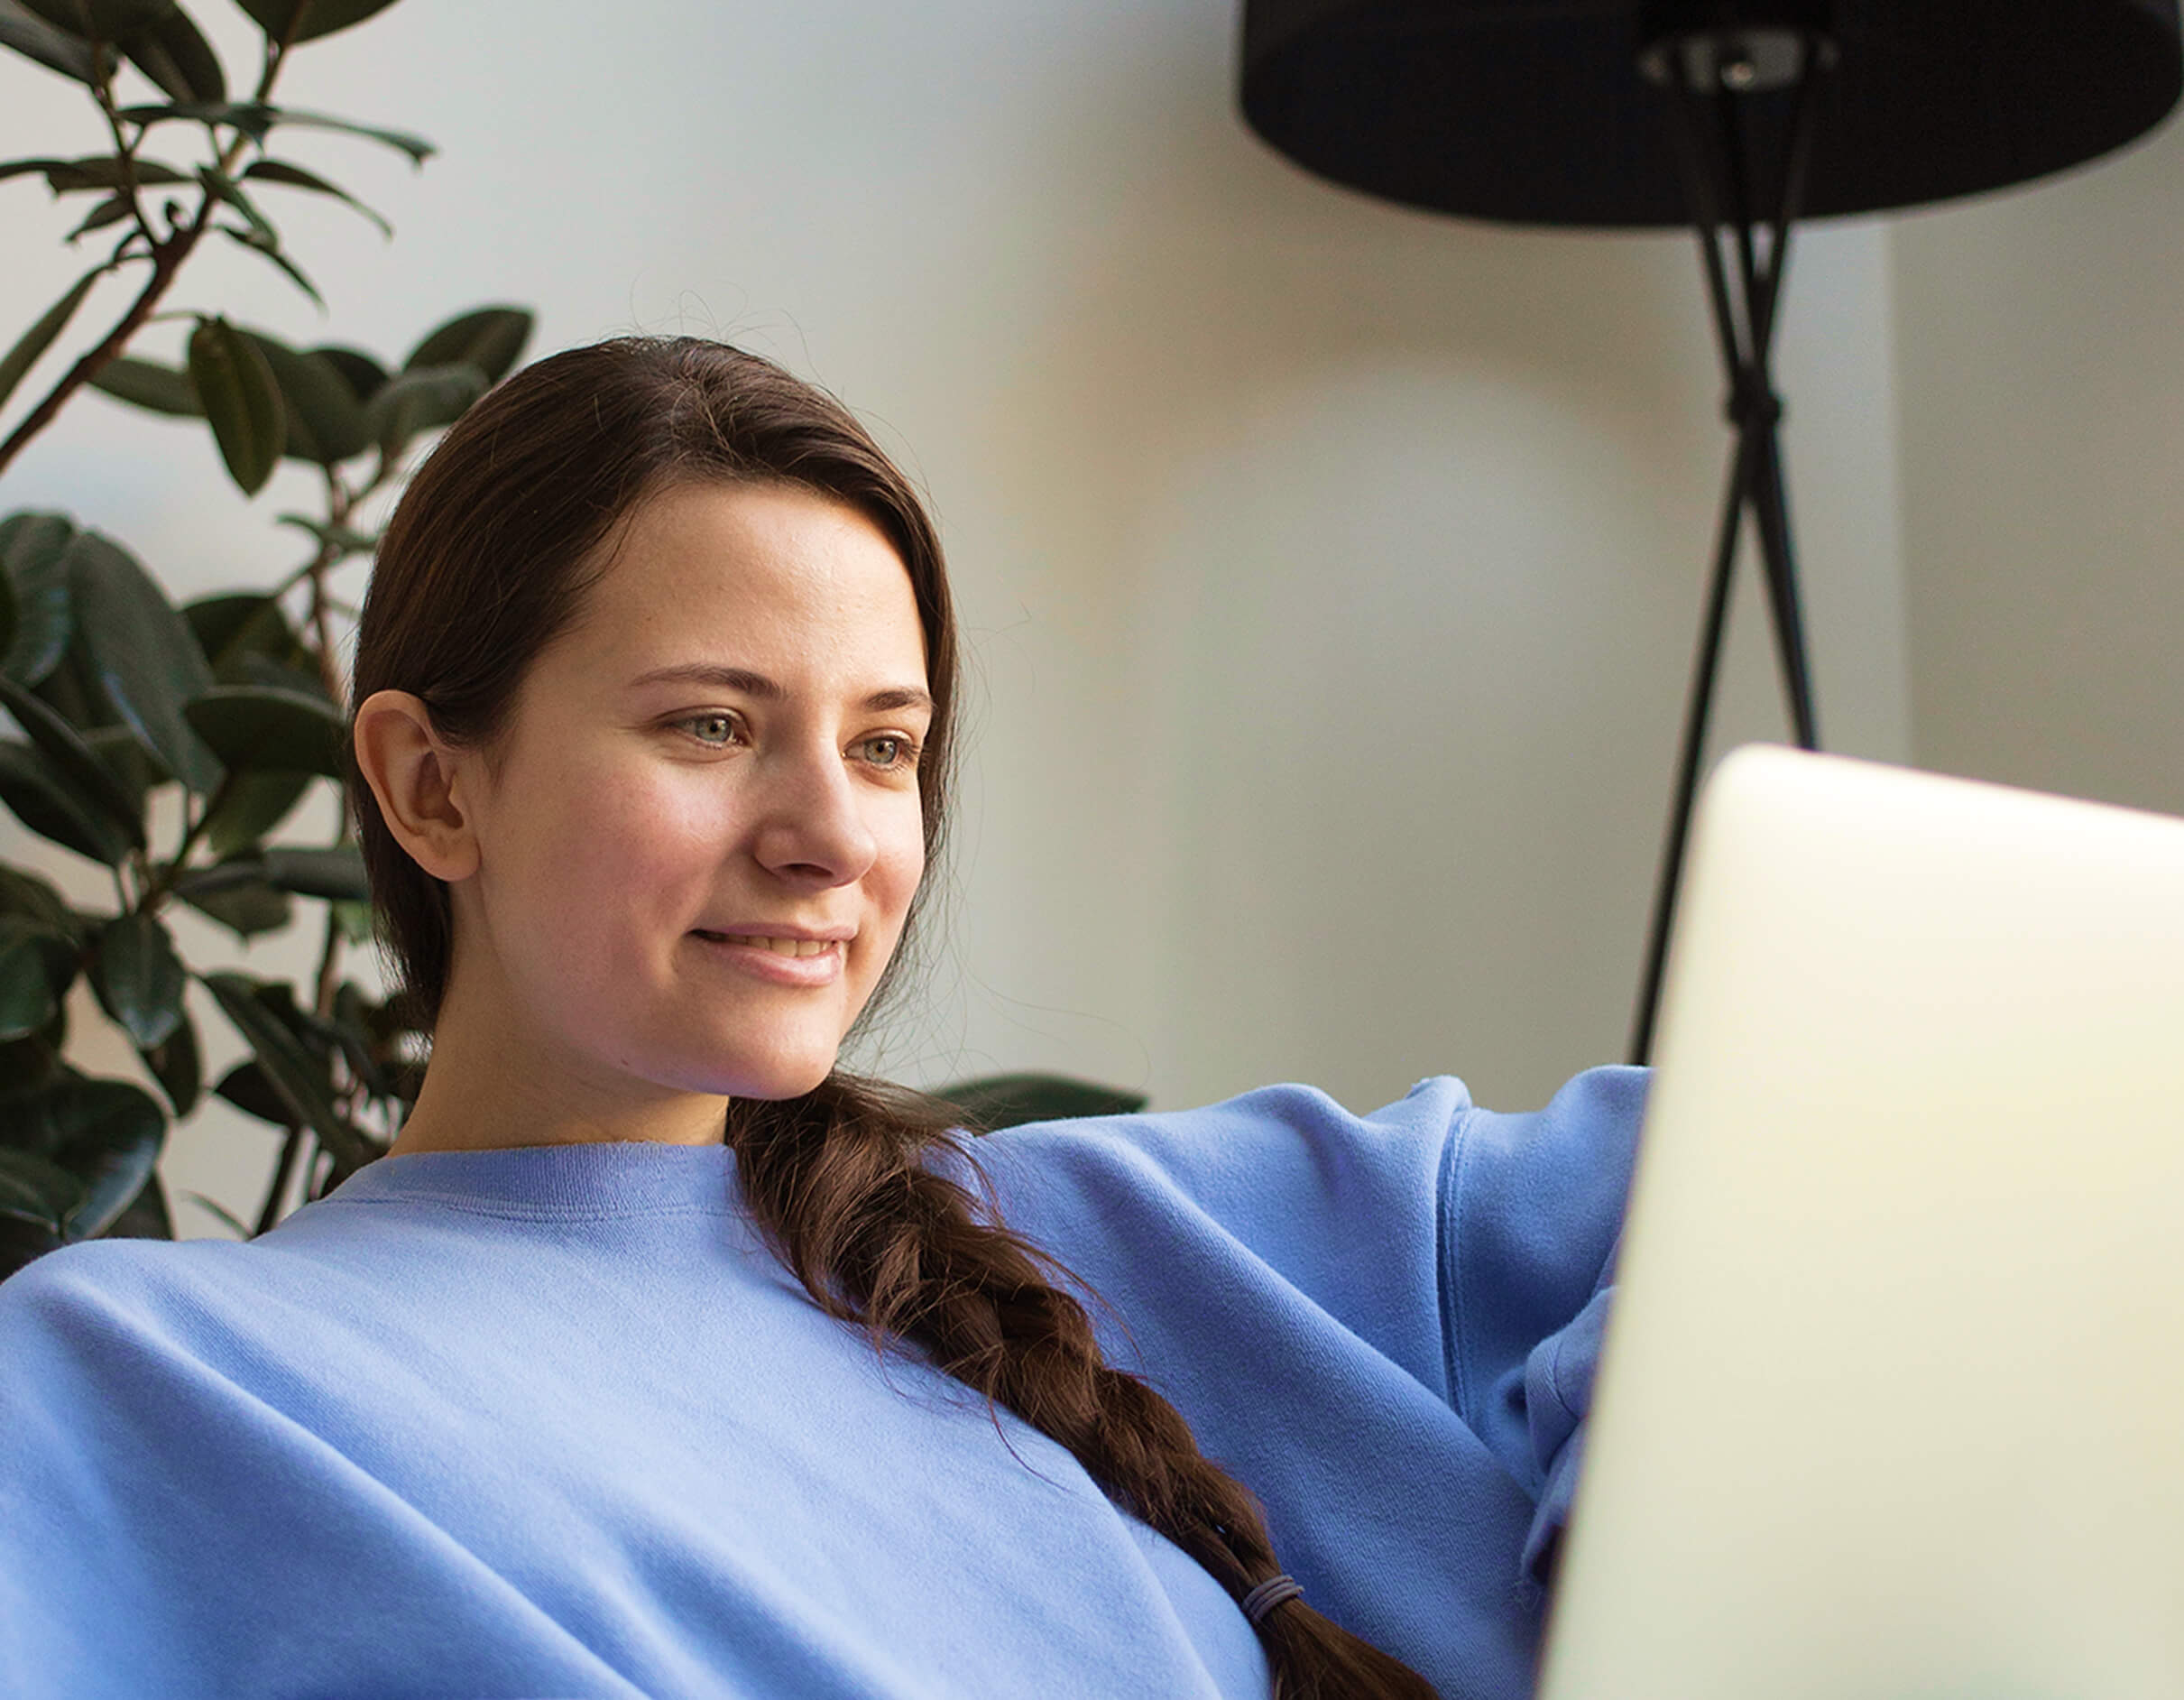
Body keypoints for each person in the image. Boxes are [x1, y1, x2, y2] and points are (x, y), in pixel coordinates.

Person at [0, 338, 1643, 1699]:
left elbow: (1777, 1179)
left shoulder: (1089, 1245)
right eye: (713, 724)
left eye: (881, 747)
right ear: (432, 786)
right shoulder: (146, 1377)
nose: (832, 836)